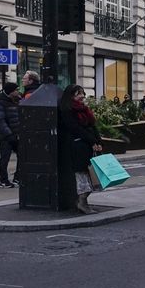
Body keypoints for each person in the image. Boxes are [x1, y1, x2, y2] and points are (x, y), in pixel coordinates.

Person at [58, 85, 103, 214]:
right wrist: (93, 141)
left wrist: (98, 141)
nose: (82, 96)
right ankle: (82, 202)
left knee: (92, 177)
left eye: (82, 93)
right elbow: (75, 128)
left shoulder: (84, 109)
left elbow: (93, 126)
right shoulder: (67, 110)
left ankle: (82, 202)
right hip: (77, 146)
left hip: (88, 145)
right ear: (71, 96)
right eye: (78, 94)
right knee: (82, 175)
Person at [0, 82, 21, 188]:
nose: (17, 91)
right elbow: (0, 120)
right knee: (5, 158)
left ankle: (17, 178)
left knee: (22, 156)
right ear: (10, 91)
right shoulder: (0, 103)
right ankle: (4, 180)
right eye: (15, 90)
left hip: (16, 134)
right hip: (5, 136)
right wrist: (8, 134)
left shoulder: (16, 100)